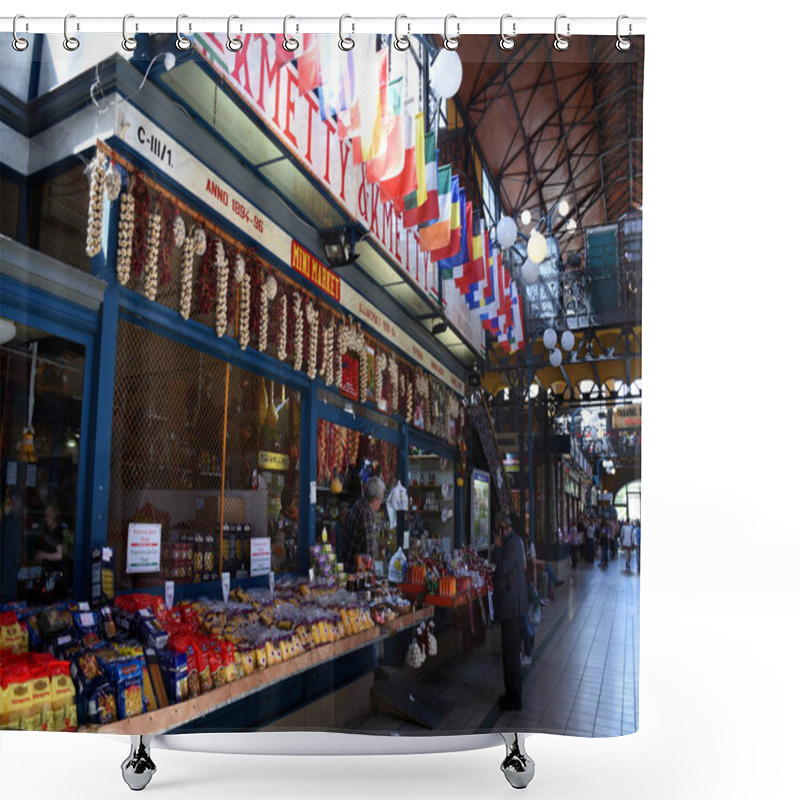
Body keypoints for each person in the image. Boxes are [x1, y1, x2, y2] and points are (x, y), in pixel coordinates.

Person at [491, 513, 528, 711]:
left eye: (499, 529)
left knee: (512, 654)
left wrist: (497, 549)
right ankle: (510, 692)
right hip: (511, 606)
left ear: (505, 527)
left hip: (512, 606)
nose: (498, 533)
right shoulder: (514, 542)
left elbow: (504, 567)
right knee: (508, 653)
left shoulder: (512, 544)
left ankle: (514, 697)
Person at [341, 476, 385, 572]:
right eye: (381, 499)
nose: (381, 502)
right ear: (375, 500)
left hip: (347, 564)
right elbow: (369, 550)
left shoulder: (359, 504)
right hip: (354, 570)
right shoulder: (366, 513)